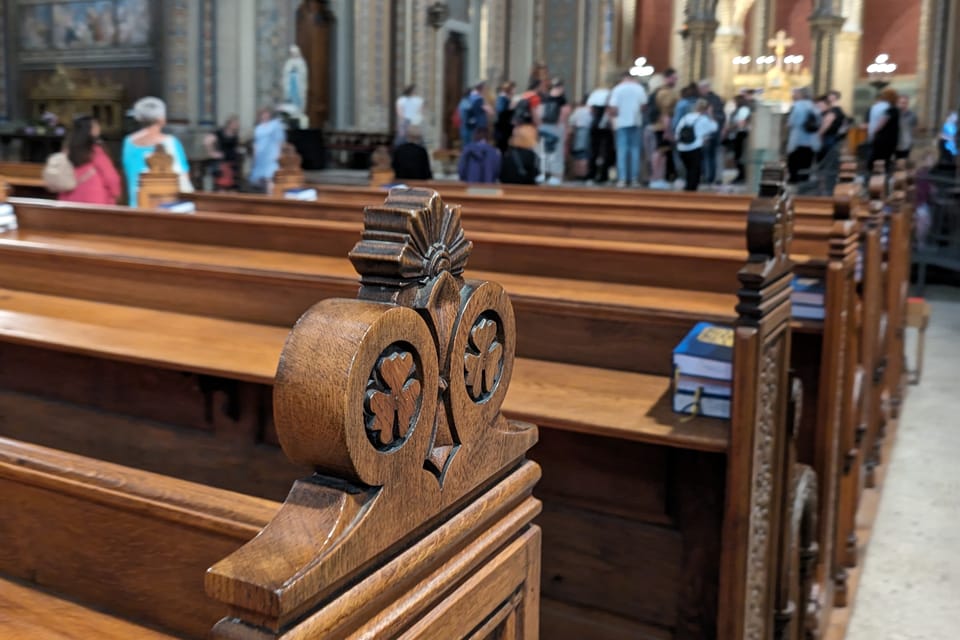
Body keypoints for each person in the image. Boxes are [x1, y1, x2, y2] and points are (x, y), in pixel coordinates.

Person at [122, 96, 192, 207]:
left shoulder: (128, 142)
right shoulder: (171, 143)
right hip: (166, 205)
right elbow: (183, 176)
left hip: (136, 203)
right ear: (161, 119)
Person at [57, 115, 121, 205]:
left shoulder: (66, 151)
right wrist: (116, 194)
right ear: (90, 130)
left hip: (68, 199)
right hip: (94, 199)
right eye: (96, 125)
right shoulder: (96, 151)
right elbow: (111, 177)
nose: (99, 128)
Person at [607, 70, 648, 187]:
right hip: (636, 122)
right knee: (635, 150)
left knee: (622, 151)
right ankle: (634, 178)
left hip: (621, 123)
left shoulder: (617, 89)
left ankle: (622, 178)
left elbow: (613, 108)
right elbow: (643, 105)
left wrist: (618, 115)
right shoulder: (639, 88)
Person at [674, 99, 718, 191]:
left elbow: (677, 132)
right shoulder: (704, 119)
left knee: (688, 169)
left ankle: (688, 187)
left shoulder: (686, 117)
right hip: (695, 147)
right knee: (695, 170)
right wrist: (710, 114)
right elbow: (714, 127)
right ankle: (691, 190)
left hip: (682, 147)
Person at [648, 68, 679, 188]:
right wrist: (668, 130)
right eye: (674, 78)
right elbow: (666, 113)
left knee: (662, 153)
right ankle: (656, 178)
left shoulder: (661, 91)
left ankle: (658, 178)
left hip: (660, 126)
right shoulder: (666, 93)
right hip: (662, 127)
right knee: (659, 153)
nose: (676, 80)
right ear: (668, 78)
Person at [785, 87, 821, 185]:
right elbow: (819, 122)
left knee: (794, 160)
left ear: (800, 95)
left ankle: (794, 179)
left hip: (797, 138)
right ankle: (805, 179)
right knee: (807, 161)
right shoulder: (814, 106)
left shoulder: (797, 106)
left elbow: (791, 122)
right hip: (811, 140)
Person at [539, 78, 570, 185]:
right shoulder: (562, 99)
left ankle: (543, 174)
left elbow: (540, 112)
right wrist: (563, 127)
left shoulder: (544, 97)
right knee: (557, 153)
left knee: (544, 152)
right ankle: (556, 176)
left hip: (544, 126)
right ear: (560, 87)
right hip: (556, 127)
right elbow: (564, 113)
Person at [249, 107, 286, 192]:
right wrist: (255, 156)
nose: (265, 116)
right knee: (260, 178)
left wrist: (279, 153)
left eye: (266, 113)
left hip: (271, 153)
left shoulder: (275, 125)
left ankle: (271, 196)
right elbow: (256, 143)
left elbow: (279, 140)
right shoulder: (258, 128)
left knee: (270, 176)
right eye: (263, 114)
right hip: (260, 155)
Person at [697, 79, 726, 185]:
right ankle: (709, 176)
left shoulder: (711, 100)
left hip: (709, 129)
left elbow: (718, 116)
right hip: (711, 129)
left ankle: (709, 176)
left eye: (702, 88)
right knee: (709, 154)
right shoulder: (715, 99)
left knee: (709, 154)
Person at [586, 81, 614, 184]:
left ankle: (592, 174)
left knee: (593, 151)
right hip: (606, 126)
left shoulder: (594, 94)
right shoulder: (610, 93)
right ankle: (603, 175)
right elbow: (611, 109)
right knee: (606, 151)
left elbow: (590, 109)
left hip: (595, 124)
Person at [816, 94, 844, 195]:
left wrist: (818, 135)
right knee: (829, 163)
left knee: (825, 163)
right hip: (833, 139)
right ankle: (826, 185)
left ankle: (824, 187)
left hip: (828, 139)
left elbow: (826, 124)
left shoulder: (833, 112)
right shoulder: (838, 111)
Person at [202, 115, 240, 190]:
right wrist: (212, 153)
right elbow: (206, 141)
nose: (236, 125)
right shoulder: (220, 133)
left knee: (231, 186)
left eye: (237, 124)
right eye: (234, 123)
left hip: (232, 163)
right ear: (229, 124)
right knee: (222, 185)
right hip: (223, 163)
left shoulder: (235, 134)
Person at [867, 88, 900, 170]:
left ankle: (874, 177)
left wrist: (873, 132)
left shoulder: (890, 110)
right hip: (891, 139)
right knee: (885, 160)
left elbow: (881, 123)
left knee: (875, 160)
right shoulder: (894, 109)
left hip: (883, 139)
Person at [725, 93, 751, 184]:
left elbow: (741, 123)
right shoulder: (738, 110)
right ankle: (740, 174)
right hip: (737, 134)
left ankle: (742, 175)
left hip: (741, 134)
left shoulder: (743, 110)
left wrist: (730, 127)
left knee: (739, 155)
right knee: (737, 155)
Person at [569, 94, 593, 180]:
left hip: (577, 132)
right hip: (586, 131)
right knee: (584, 155)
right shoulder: (589, 111)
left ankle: (577, 174)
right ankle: (583, 174)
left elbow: (571, 121)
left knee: (577, 154)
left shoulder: (577, 110)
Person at [493, 82, 516, 153]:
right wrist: (511, 108)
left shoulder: (505, 99)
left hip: (505, 127)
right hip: (503, 127)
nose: (514, 91)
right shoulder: (502, 99)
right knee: (502, 146)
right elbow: (501, 111)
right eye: (513, 89)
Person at [896, 95, 918, 160]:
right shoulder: (894, 114)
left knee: (903, 161)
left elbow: (914, 129)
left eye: (904, 103)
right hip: (895, 143)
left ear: (907, 104)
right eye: (900, 103)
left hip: (907, 143)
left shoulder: (912, 115)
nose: (902, 105)